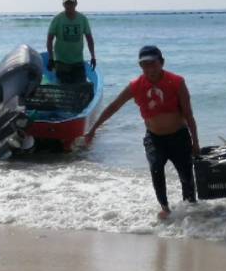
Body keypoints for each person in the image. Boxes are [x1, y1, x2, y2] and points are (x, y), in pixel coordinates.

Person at [86, 45, 200, 220]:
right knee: (156, 169)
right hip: (154, 139)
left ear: (161, 63)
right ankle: (165, 208)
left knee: (186, 176)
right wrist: (93, 129)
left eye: (152, 64)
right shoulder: (136, 86)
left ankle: (192, 212)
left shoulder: (177, 82)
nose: (149, 69)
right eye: (144, 65)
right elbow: (114, 106)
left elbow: (189, 115)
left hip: (179, 136)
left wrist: (195, 143)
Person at [46, 0, 95, 84]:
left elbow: (89, 39)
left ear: (75, 4)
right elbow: (49, 39)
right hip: (61, 61)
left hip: (78, 60)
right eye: (67, 3)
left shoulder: (82, 19)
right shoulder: (57, 19)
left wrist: (93, 56)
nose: (69, 6)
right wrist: (50, 58)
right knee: (64, 88)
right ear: (63, 5)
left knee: (81, 87)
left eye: (71, 3)